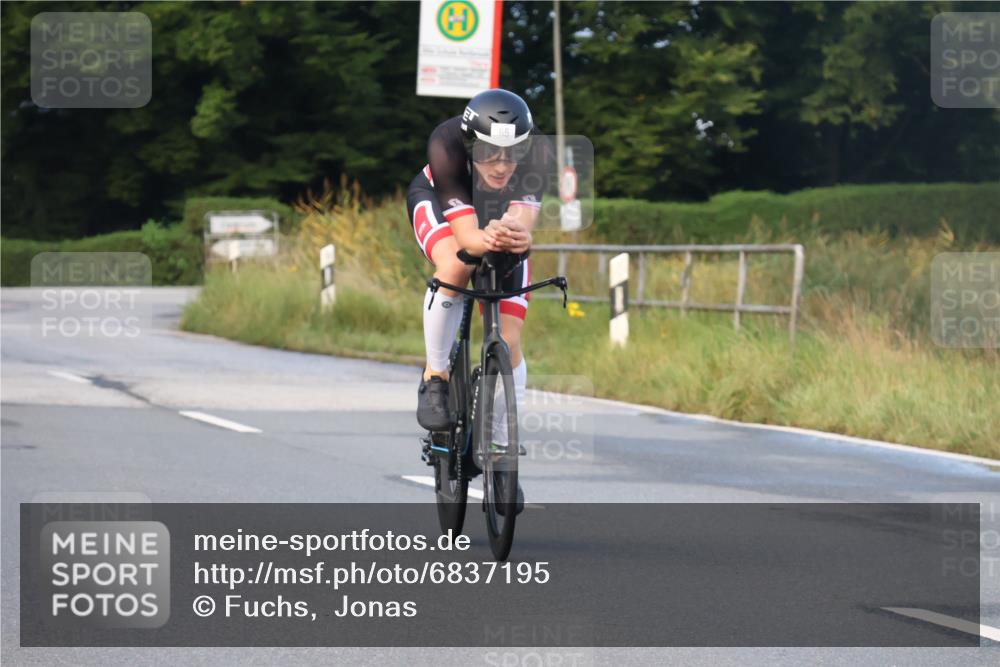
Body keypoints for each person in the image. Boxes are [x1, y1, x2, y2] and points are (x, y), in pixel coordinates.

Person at [407, 88, 547, 511]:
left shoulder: (539, 154)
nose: (502, 165)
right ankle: (436, 376)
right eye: (489, 153)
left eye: (511, 154)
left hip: (496, 216)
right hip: (442, 204)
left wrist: (514, 235)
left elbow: (523, 223)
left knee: (510, 336)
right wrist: (487, 239)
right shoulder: (446, 144)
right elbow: (468, 238)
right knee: (455, 264)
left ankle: (503, 452)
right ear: (470, 144)